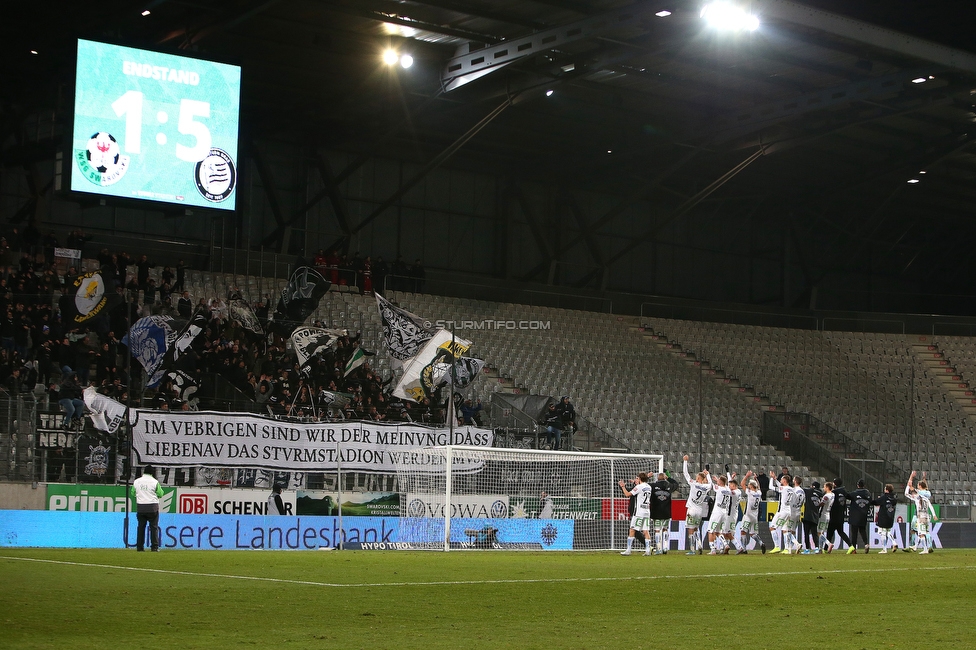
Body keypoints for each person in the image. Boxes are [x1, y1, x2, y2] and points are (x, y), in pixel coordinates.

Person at [682, 455, 711, 556]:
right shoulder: (706, 487)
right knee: (696, 529)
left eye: (696, 477)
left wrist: (685, 461)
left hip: (691, 510)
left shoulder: (693, 483)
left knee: (690, 529)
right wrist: (708, 474)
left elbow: (686, 474)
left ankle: (692, 550)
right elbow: (711, 484)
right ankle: (699, 544)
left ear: (698, 478)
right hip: (699, 511)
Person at [130, 465, 163, 552]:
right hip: (152, 507)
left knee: (141, 527)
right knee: (154, 527)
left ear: (144, 472)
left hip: (141, 507)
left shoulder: (137, 481)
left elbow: (133, 493)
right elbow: (160, 494)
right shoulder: (155, 482)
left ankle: (140, 547)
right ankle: (154, 547)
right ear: (152, 473)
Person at [618, 473, 653, 556]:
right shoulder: (649, 487)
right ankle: (648, 550)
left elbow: (627, 494)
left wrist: (623, 487)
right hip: (647, 511)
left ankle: (628, 550)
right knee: (645, 531)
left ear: (640, 479)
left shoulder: (639, 487)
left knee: (632, 529)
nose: (636, 479)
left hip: (639, 512)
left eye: (637, 478)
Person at [905, 471, 938, 553]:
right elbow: (930, 505)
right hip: (927, 516)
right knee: (926, 531)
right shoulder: (927, 496)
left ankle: (924, 549)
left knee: (920, 533)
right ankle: (922, 547)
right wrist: (934, 515)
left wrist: (911, 477)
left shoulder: (917, 496)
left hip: (920, 516)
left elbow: (907, 491)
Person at [648, 470, 678, 554]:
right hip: (666, 512)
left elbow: (643, 484)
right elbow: (676, 484)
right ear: (665, 478)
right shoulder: (669, 485)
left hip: (656, 512)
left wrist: (648, 476)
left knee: (657, 530)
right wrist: (669, 478)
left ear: (657, 478)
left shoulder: (653, 485)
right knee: (665, 529)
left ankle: (659, 548)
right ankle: (665, 548)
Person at [738, 473, 765, 554]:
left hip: (748, 515)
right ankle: (761, 543)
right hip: (754, 516)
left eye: (749, 485)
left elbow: (742, 484)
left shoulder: (750, 492)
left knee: (743, 531)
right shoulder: (759, 493)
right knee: (752, 533)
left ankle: (744, 549)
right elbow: (758, 487)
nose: (748, 485)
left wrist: (746, 476)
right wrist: (756, 479)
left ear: (751, 486)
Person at [706, 473, 733, 555]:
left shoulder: (719, 489)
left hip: (717, 512)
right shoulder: (728, 489)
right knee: (718, 531)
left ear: (721, 482)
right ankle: (725, 544)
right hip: (724, 513)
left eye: (718, 481)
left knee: (710, 530)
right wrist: (718, 479)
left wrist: (708, 474)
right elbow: (722, 483)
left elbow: (711, 484)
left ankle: (713, 550)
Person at [767, 471, 793, 554]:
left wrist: (771, 478)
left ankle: (777, 547)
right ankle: (786, 549)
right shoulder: (790, 489)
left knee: (772, 527)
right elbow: (780, 486)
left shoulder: (783, 488)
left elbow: (771, 486)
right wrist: (775, 478)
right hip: (788, 511)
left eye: (781, 479)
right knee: (785, 530)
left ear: (784, 481)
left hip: (782, 512)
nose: (780, 480)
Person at [826, 477, 853, 552]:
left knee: (829, 533)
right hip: (841, 515)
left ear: (835, 484)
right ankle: (851, 546)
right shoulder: (844, 491)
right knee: (841, 532)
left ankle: (825, 549)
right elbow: (850, 497)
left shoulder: (834, 492)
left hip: (833, 515)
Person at [847, 479, 872, 554]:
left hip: (854, 515)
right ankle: (866, 544)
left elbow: (847, 496)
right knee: (862, 530)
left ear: (857, 485)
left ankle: (854, 549)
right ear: (864, 485)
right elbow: (870, 501)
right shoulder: (868, 493)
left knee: (854, 533)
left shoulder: (854, 493)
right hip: (863, 515)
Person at [872, 484, 898, 553]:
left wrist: (871, 500)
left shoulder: (884, 498)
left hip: (883, 517)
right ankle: (894, 542)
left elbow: (875, 502)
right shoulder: (894, 498)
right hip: (890, 518)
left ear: (886, 490)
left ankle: (884, 549)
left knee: (882, 533)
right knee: (888, 532)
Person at [801, 481, 824, 553]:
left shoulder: (808, 491)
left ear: (813, 486)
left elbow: (801, 489)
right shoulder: (821, 494)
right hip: (815, 515)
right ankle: (817, 548)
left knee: (806, 533)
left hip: (807, 515)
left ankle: (807, 549)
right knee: (814, 533)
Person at [816, 482, 835, 553]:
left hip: (823, 515)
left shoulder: (826, 496)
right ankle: (821, 549)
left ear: (827, 487)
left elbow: (822, 504)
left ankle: (829, 544)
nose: (823, 488)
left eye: (824, 487)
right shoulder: (833, 495)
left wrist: (816, 504)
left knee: (819, 532)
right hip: (828, 514)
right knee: (822, 532)